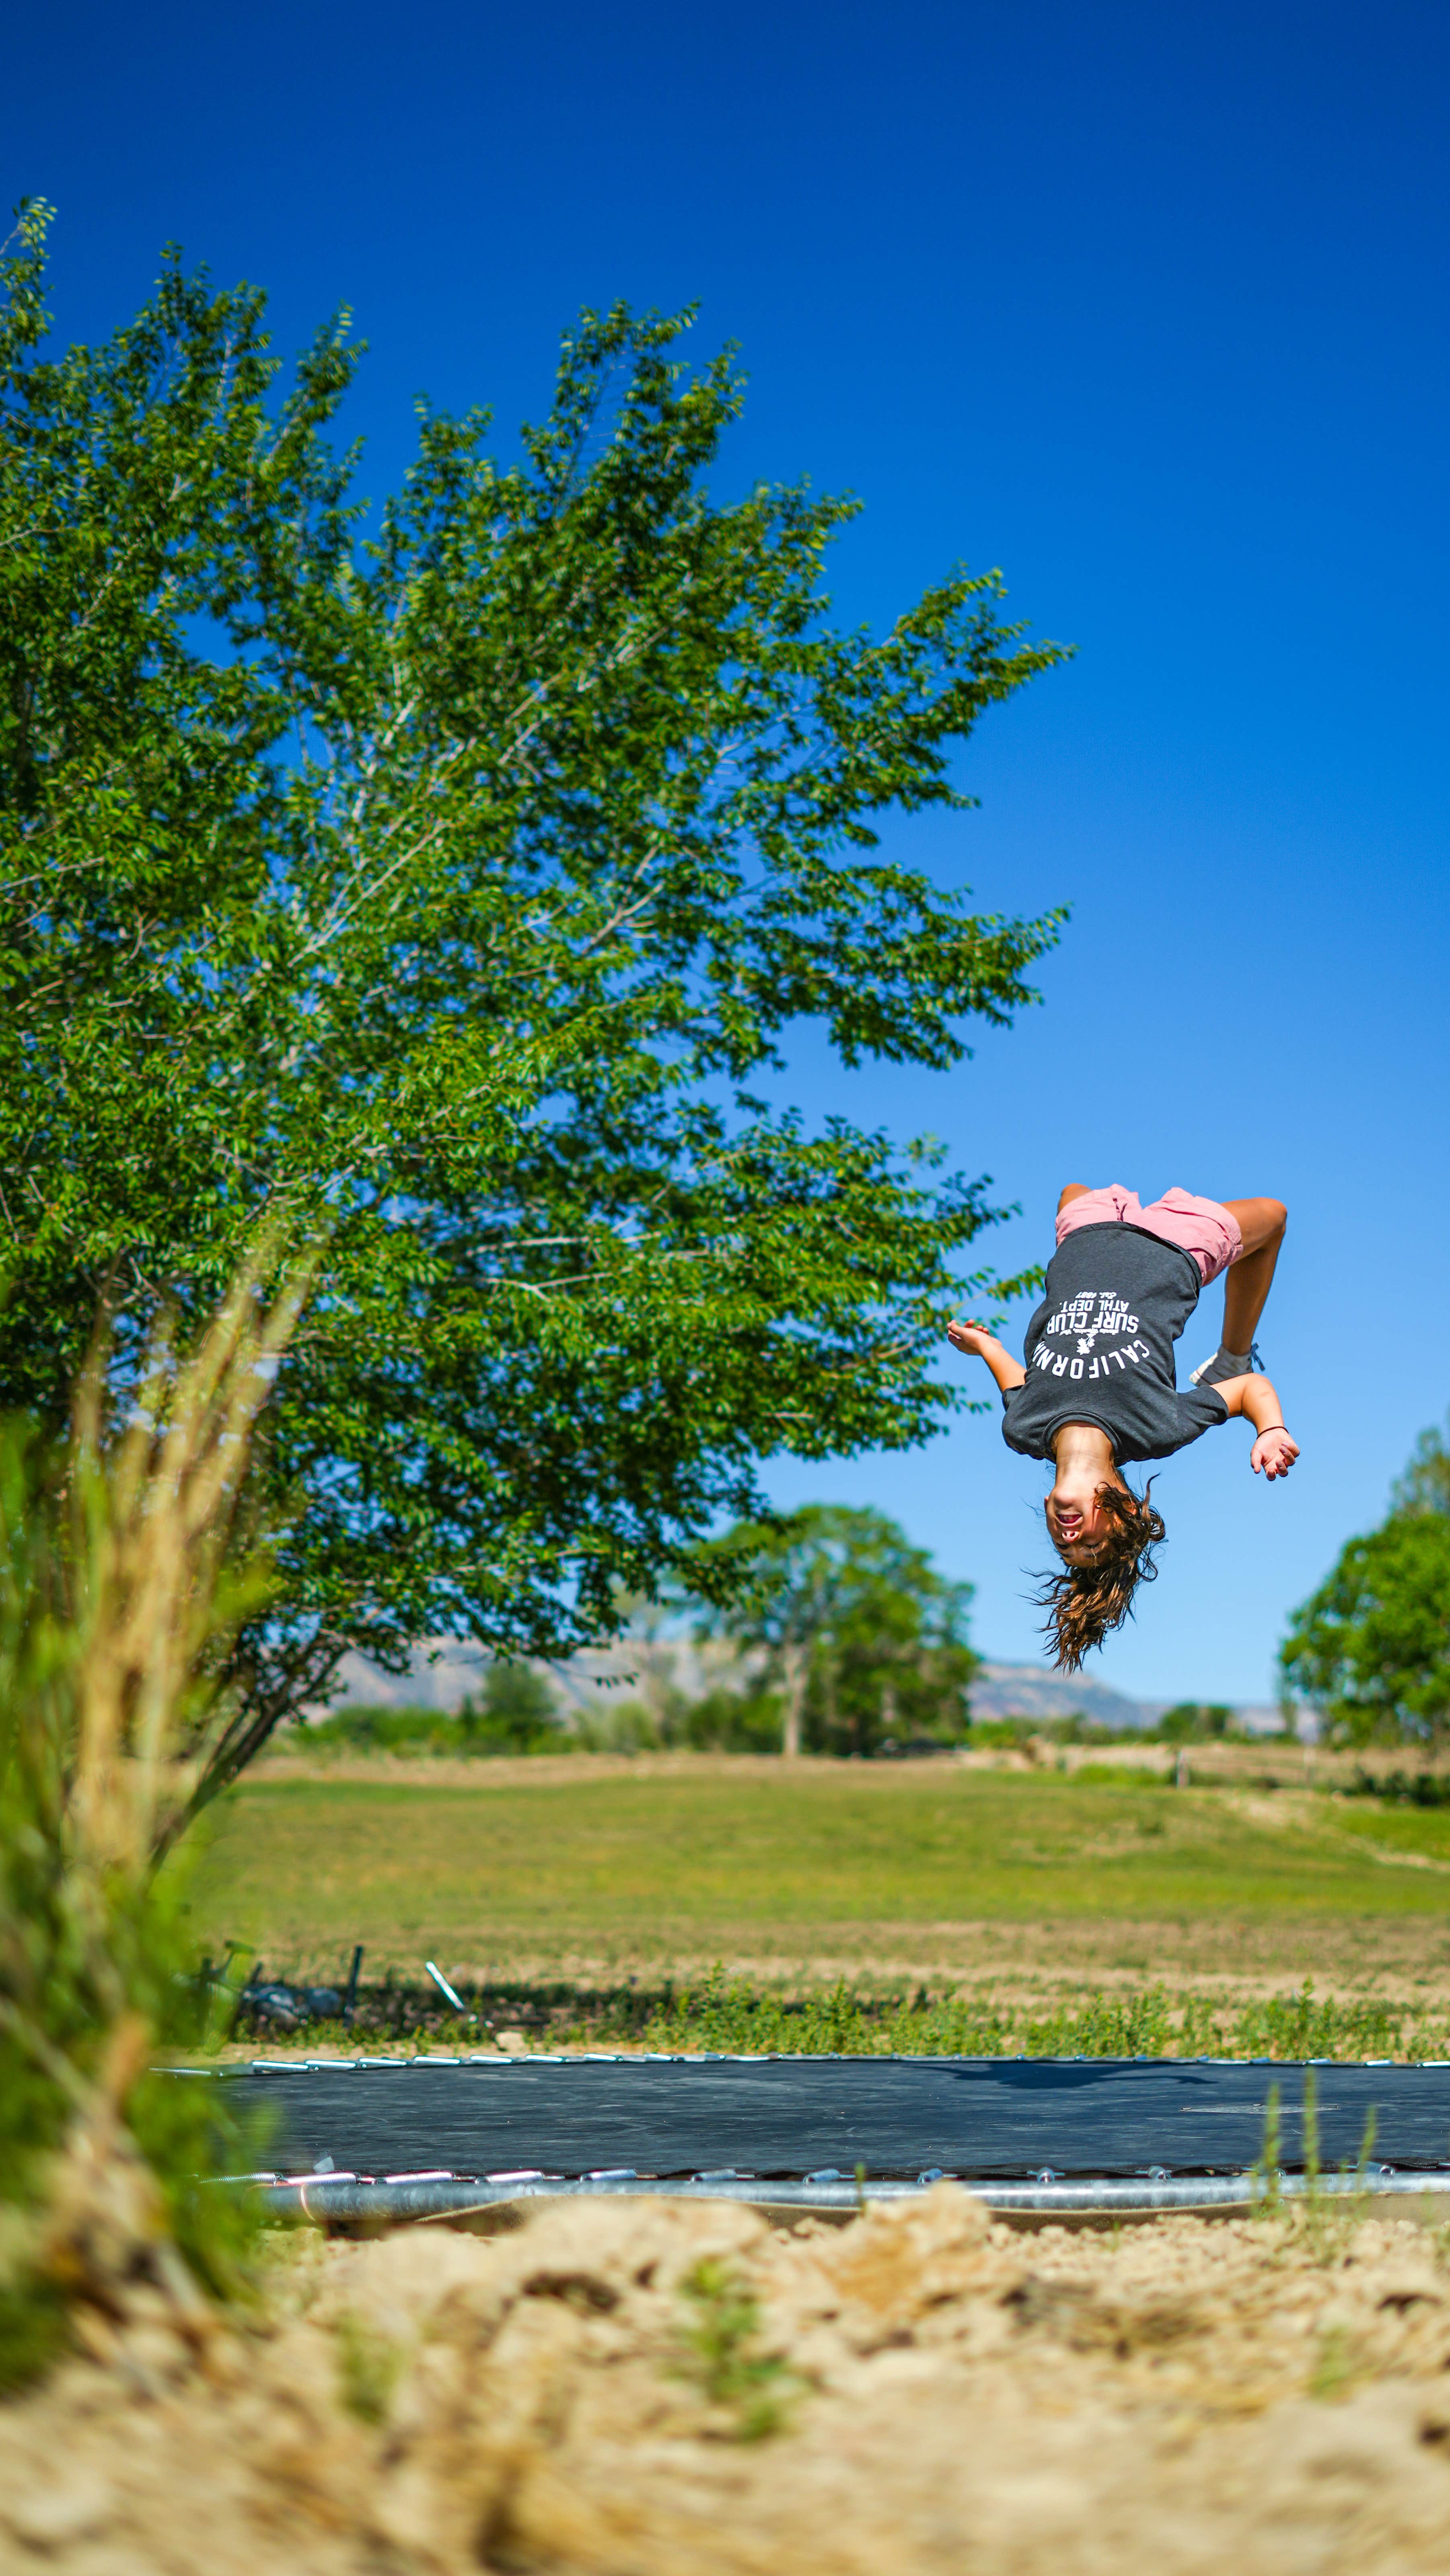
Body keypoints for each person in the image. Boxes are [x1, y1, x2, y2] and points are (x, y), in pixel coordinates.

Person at [946, 1185, 1298, 1670]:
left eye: (1065, 1549)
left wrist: (982, 1347)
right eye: (1094, 1544)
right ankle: (1231, 1353)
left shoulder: (1022, 1428)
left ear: (1048, 1508)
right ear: (1128, 1508)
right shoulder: (1154, 1428)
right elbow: (1248, 1390)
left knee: (1071, 1189)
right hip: (1175, 1246)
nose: (1072, 1541)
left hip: (1086, 1241)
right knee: (1274, 1217)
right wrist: (1269, 1430)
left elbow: (1013, 1380)